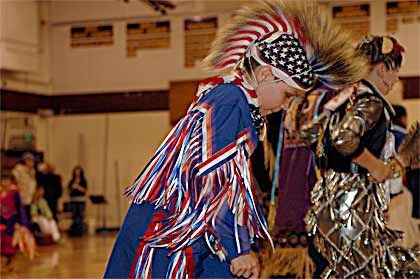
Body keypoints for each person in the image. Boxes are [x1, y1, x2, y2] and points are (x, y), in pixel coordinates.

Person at [105, 1, 366, 278]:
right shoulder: (230, 101)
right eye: (288, 95)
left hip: (196, 230)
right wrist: (238, 248)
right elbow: (217, 182)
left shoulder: (235, 102)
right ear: (266, 74)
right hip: (169, 233)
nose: (287, 106)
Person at [304, 35, 410, 278]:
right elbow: (343, 139)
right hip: (352, 200)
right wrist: (375, 167)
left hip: (331, 193)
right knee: (356, 270)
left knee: (339, 268)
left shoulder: (343, 96)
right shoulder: (370, 102)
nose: (396, 79)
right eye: (396, 71)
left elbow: (309, 134)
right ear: (383, 68)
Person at [0, 174, 28, 271]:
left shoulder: (14, 193)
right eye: (3, 180)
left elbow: (21, 209)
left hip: (12, 222)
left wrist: (23, 224)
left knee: (10, 244)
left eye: (7, 180)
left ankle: (9, 264)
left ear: (11, 181)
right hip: (1, 222)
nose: (4, 182)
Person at [11, 152, 37, 223]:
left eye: (33, 161)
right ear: (26, 161)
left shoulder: (33, 171)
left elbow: (33, 183)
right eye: (31, 161)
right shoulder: (19, 169)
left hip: (29, 198)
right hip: (21, 197)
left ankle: (26, 231)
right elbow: (13, 179)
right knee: (20, 217)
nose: (33, 163)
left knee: (28, 217)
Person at [68, 166, 87, 237]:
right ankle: (74, 231)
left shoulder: (83, 181)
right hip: (73, 200)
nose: (77, 173)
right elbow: (69, 189)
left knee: (80, 216)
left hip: (81, 200)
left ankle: (80, 231)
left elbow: (84, 190)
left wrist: (78, 187)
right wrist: (73, 187)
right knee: (74, 216)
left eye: (78, 171)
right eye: (76, 171)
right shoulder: (72, 181)